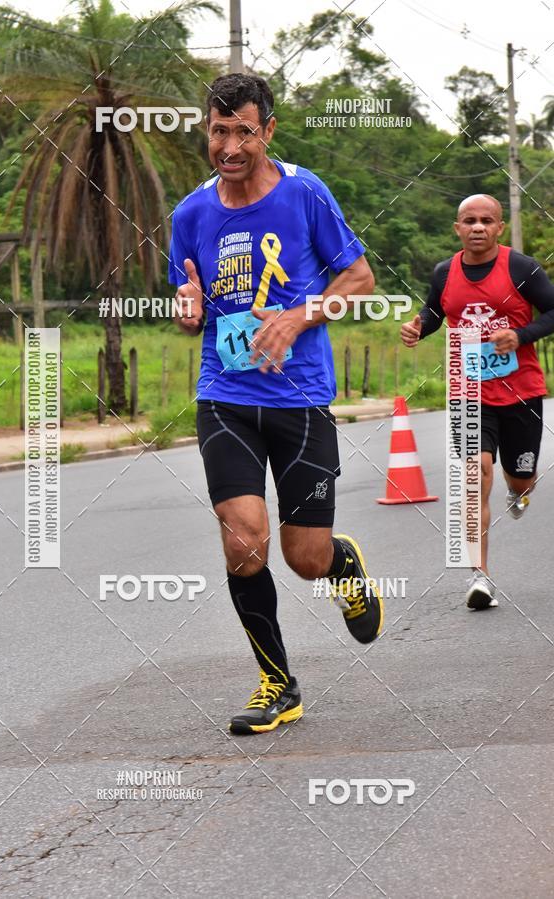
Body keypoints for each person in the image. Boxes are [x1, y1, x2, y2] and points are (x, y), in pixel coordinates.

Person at [169, 73, 383, 735]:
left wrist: (297, 317)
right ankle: (277, 681)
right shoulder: (190, 214)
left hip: (302, 398)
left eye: (242, 131)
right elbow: (190, 299)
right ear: (206, 128)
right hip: (225, 397)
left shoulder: (303, 193)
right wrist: (186, 310)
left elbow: (359, 277)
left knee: (304, 556)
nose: (229, 146)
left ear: (268, 131)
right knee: (244, 542)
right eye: (217, 130)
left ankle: (341, 564)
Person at [401, 194, 554, 609]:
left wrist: (521, 336)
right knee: (474, 475)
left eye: (487, 220)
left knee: (520, 478)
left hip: (521, 391)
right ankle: (479, 575)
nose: (478, 227)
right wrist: (419, 328)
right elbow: (434, 313)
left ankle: (518, 489)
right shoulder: (444, 272)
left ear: (499, 227)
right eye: (469, 220)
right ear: (458, 228)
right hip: (469, 391)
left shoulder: (522, 269)